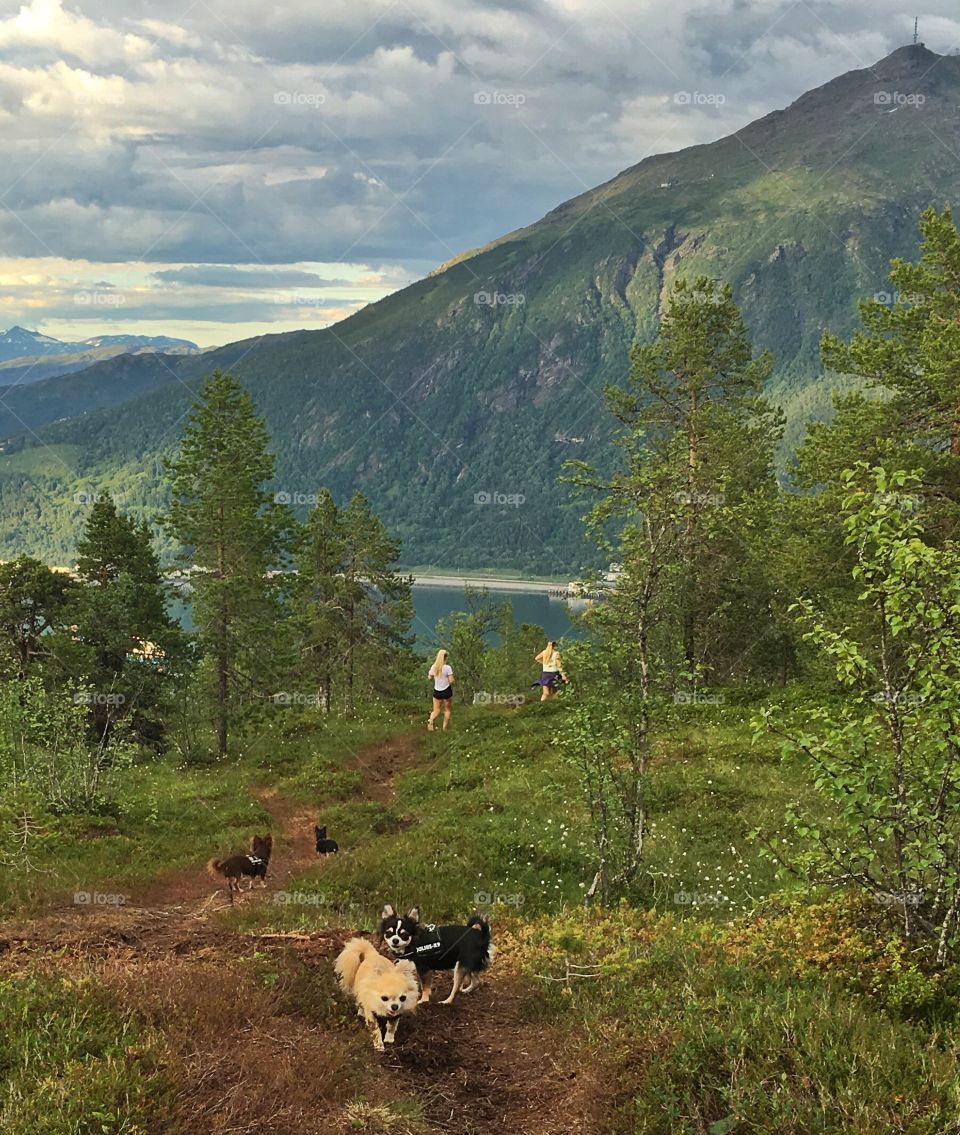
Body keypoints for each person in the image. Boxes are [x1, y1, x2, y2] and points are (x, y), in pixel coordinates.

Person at [427, 648, 454, 730]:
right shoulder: (447, 668)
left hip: (437, 691)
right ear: (445, 658)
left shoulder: (434, 667)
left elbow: (429, 678)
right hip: (446, 691)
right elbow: (451, 680)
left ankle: (431, 720)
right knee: (447, 710)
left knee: (436, 710)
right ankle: (444, 729)